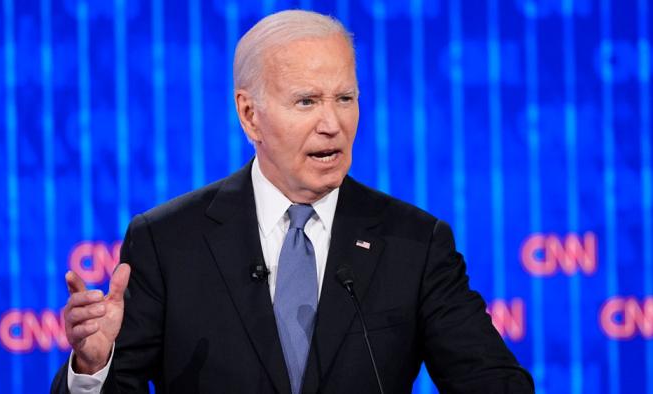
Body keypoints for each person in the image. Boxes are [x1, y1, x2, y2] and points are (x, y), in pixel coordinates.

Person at [52, 9, 534, 394]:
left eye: (345, 98)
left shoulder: (414, 243)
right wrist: (93, 369)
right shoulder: (168, 242)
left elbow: (494, 383)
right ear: (249, 114)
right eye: (307, 101)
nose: (333, 123)